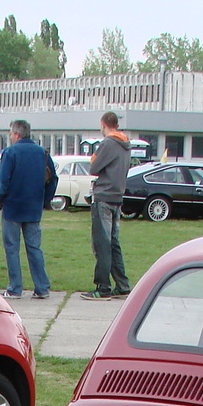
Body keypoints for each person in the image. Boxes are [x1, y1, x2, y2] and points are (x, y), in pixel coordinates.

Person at [0, 118, 56, 299]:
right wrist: (45, 199)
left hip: (12, 207)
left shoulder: (10, 152)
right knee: (34, 248)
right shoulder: (42, 152)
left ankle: (15, 287)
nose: (10, 137)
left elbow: (3, 180)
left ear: (17, 134)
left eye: (11, 133)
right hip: (33, 207)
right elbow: (53, 178)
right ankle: (42, 287)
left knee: (12, 248)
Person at [77, 111, 132, 299]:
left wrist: (95, 156)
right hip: (117, 197)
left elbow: (94, 168)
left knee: (102, 243)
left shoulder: (108, 143)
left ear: (103, 124)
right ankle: (122, 284)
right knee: (113, 242)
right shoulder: (125, 144)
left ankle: (103, 287)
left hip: (104, 197)